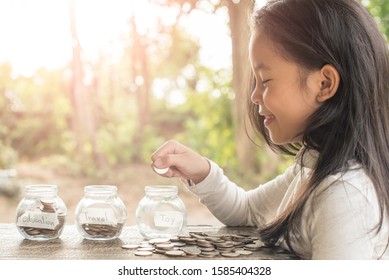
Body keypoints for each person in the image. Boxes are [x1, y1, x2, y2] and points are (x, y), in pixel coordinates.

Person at [151, 0, 389, 260]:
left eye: (265, 80)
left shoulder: (344, 197)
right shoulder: (314, 166)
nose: (254, 96)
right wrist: (202, 172)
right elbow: (247, 211)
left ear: (324, 84)